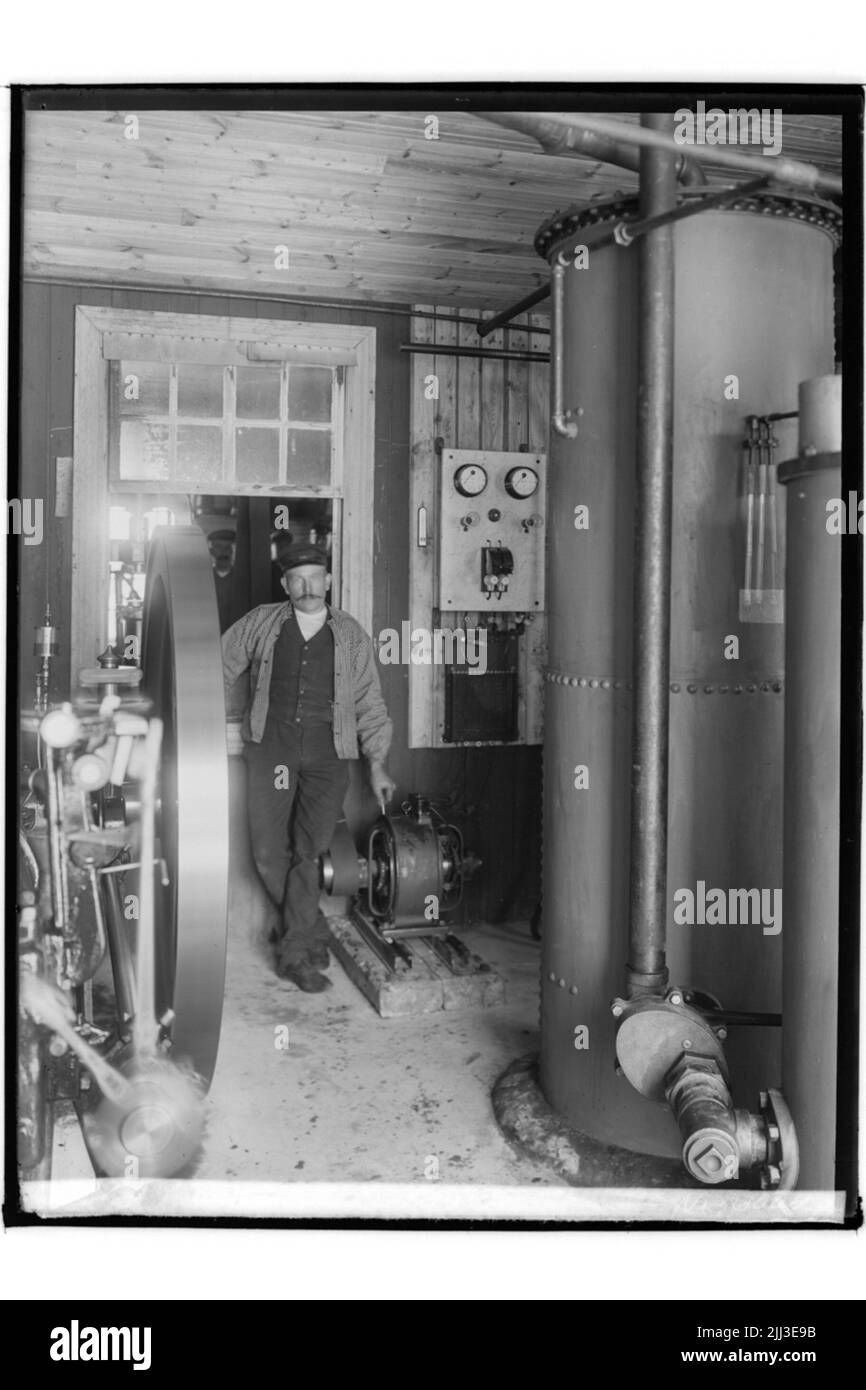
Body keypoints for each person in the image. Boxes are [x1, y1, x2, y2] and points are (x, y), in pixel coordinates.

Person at [222, 542, 396, 991]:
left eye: (315, 577)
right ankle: (311, 929)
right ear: (286, 584)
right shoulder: (260, 623)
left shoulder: (351, 635)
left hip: (328, 751)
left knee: (308, 849)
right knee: (265, 851)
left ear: (329, 581)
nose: (307, 587)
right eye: (297, 579)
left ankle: (295, 953)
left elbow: (370, 704)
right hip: (271, 746)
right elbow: (218, 668)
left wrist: (377, 764)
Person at [207, 528, 245, 634]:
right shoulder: (205, 579)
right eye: (218, 547)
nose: (224, 552)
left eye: (227, 547)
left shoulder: (242, 579)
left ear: (232, 551)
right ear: (211, 551)